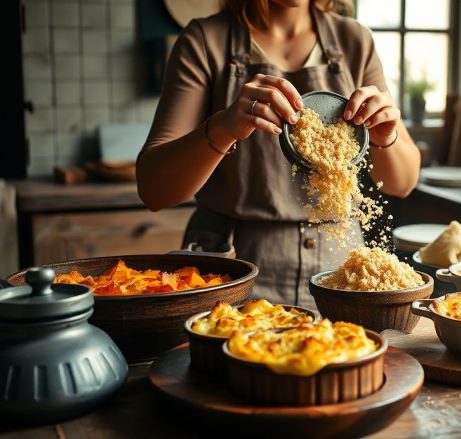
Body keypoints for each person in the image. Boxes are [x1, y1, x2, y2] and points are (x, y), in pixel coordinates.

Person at [136, 0, 421, 307]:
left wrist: (385, 135)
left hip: (340, 271)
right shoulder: (206, 41)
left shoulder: (354, 40)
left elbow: (402, 183)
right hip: (232, 270)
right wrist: (222, 127)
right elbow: (155, 191)